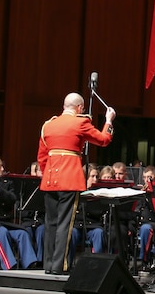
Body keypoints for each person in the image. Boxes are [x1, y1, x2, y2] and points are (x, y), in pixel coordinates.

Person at [37, 92, 115, 274]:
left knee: (51, 224)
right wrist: (109, 120)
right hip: (69, 179)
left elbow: (42, 157)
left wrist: (48, 172)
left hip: (49, 180)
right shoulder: (81, 122)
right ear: (79, 108)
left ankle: (48, 265)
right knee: (65, 224)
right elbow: (104, 140)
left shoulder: (48, 125)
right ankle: (59, 266)